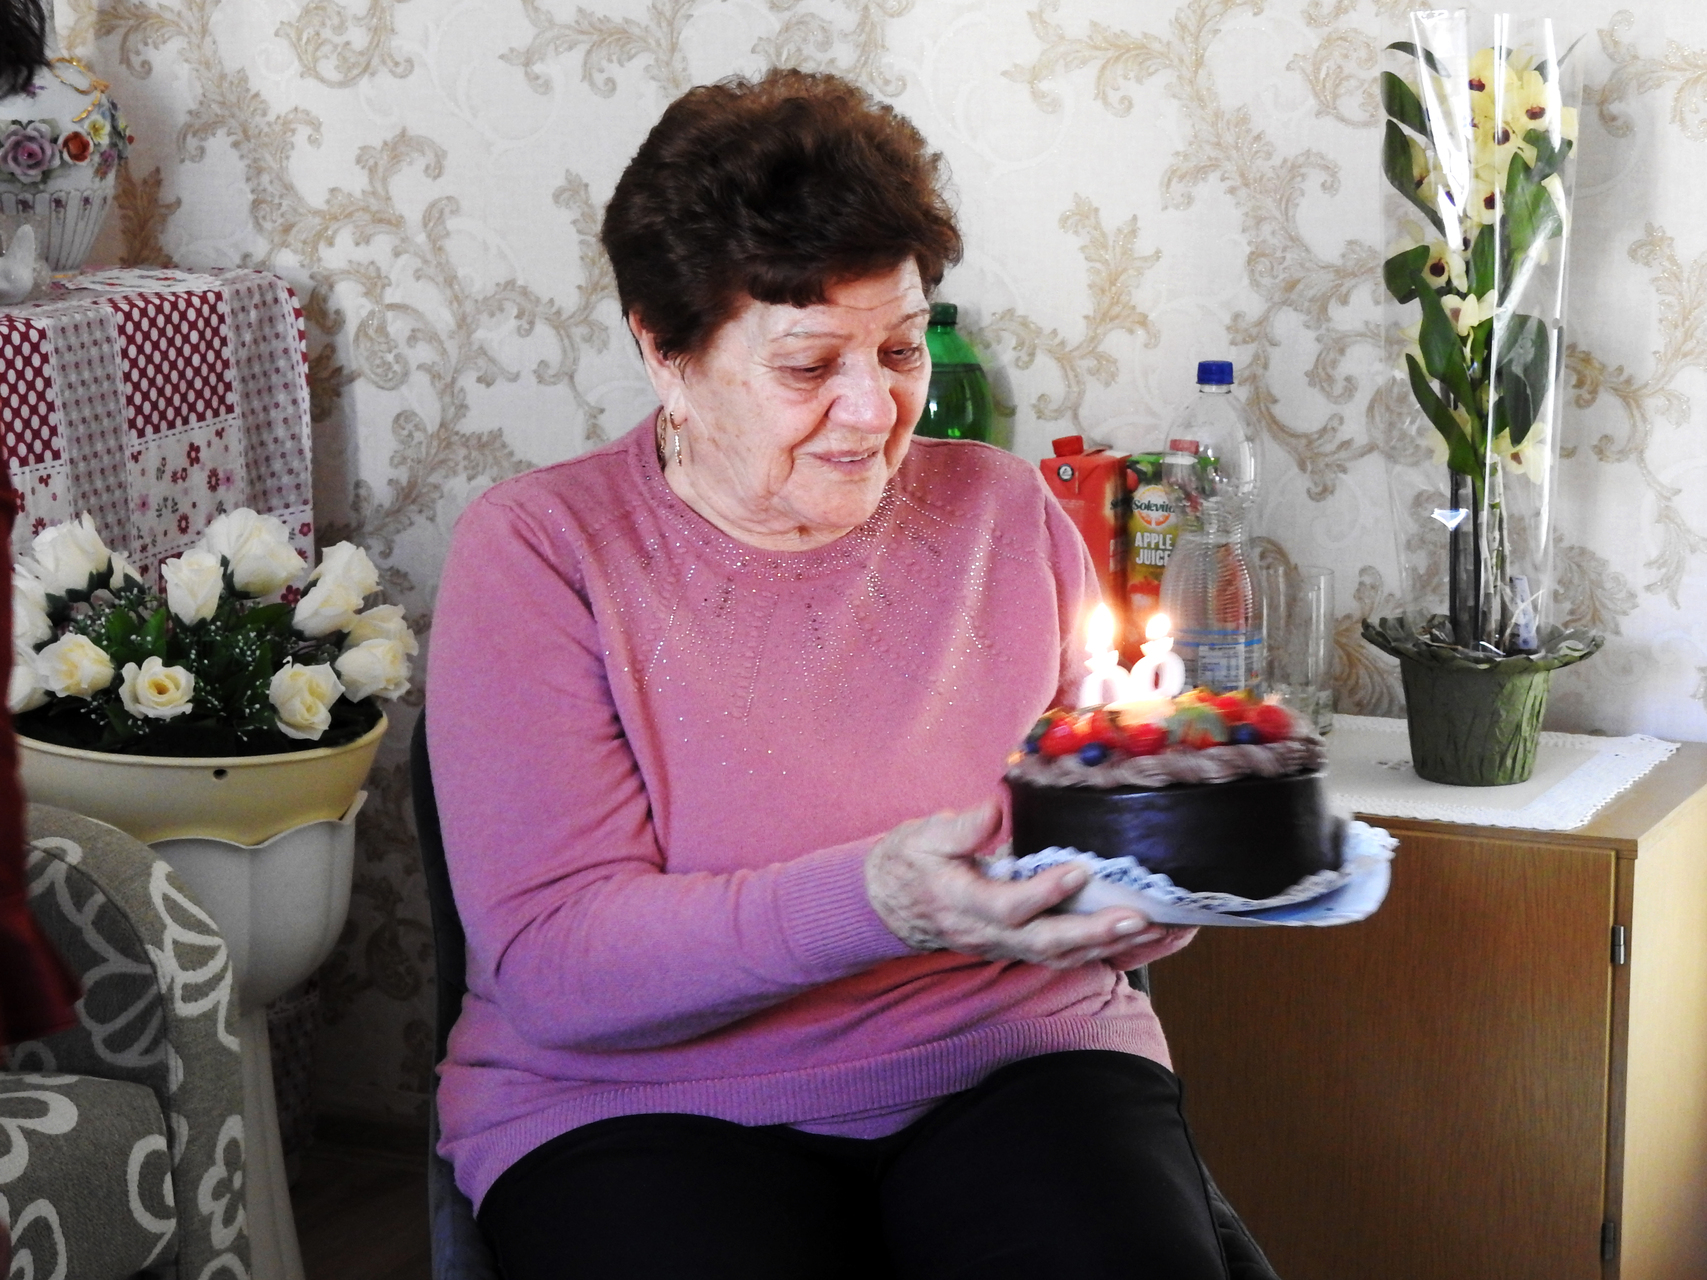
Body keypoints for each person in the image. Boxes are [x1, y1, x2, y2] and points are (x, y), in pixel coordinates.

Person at [428, 68, 1225, 1279]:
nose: (872, 410)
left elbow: (1106, 832)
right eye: (809, 367)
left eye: (901, 348)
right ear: (663, 350)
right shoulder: (543, 551)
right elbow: (556, 964)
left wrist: (1153, 882)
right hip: (639, 1105)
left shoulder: (1003, 513)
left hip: (1014, 1053)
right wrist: (878, 898)